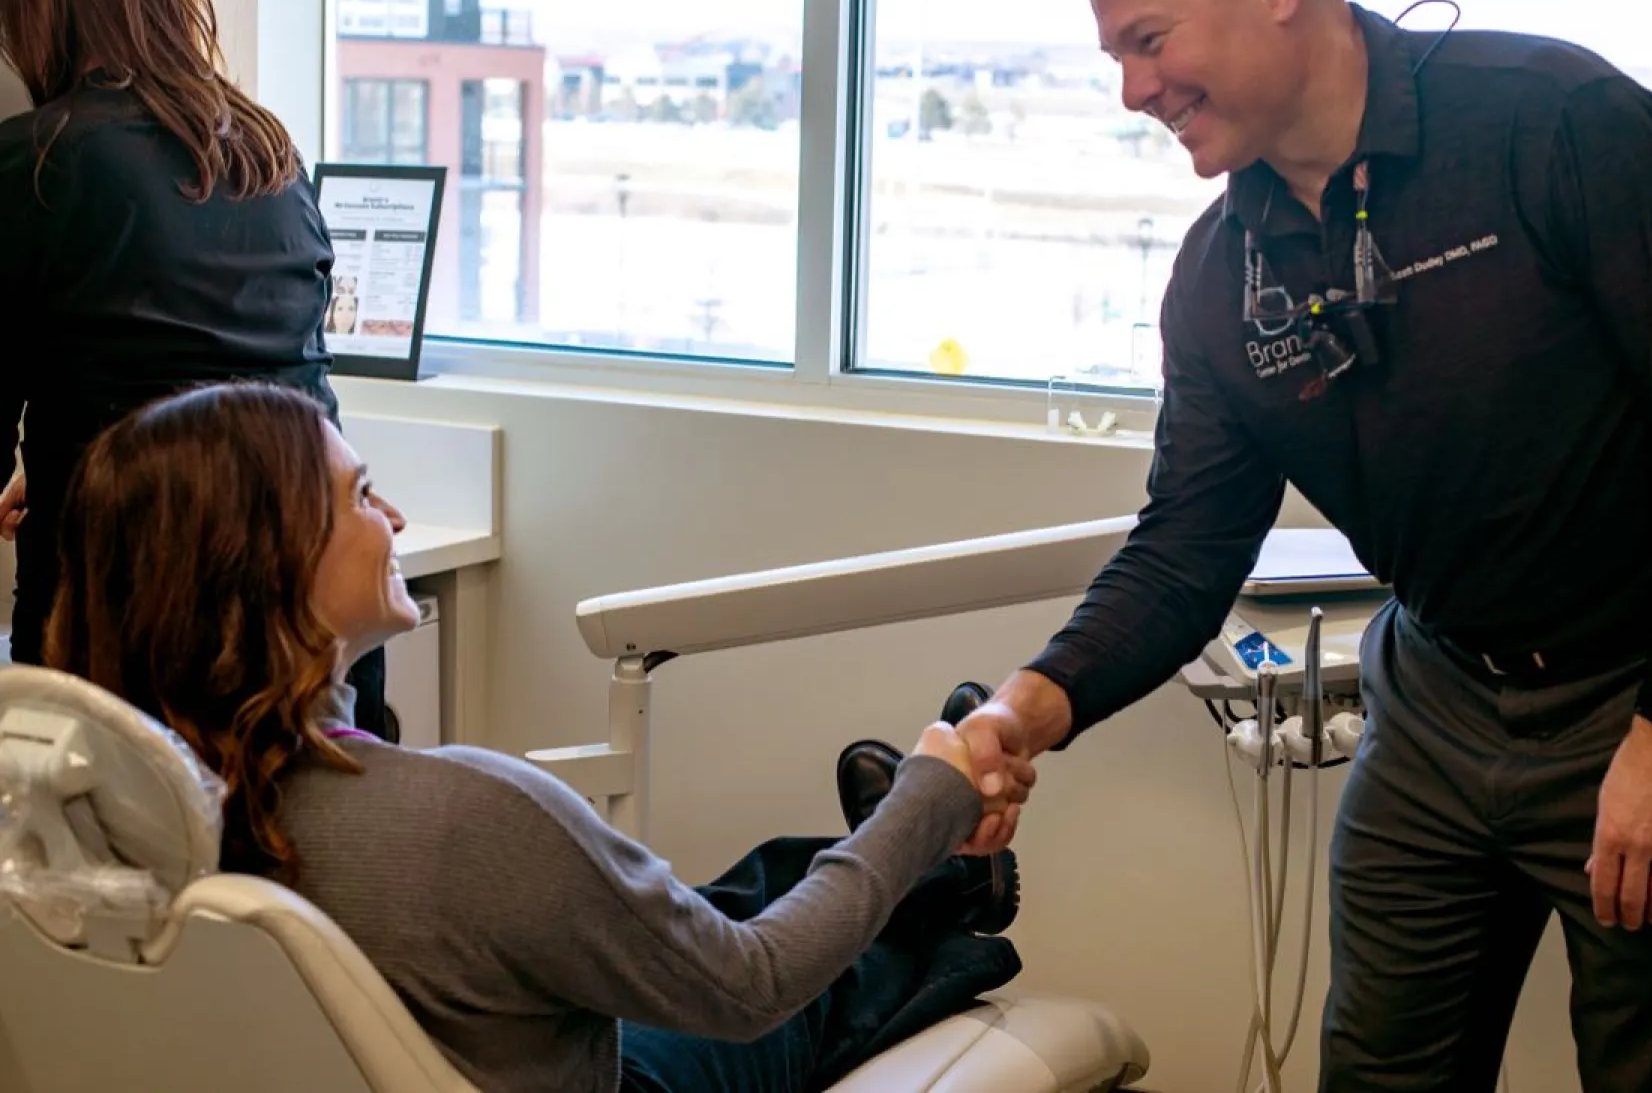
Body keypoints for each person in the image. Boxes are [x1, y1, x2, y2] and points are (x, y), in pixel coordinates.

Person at [954, 0, 1652, 1091]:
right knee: (1381, 1068)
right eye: (1117, 60)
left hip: (1647, 677)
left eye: (1149, 43)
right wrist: (1022, 710)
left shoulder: (1558, 126)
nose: (1134, 90)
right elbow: (1190, 544)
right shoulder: (1219, 277)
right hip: (1440, 695)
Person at [43, 380, 1029, 1093]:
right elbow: (752, 982)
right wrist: (937, 790)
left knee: (743, 882)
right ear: (267, 565)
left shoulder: (91, 817)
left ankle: (919, 863)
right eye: (358, 494)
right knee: (812, 971)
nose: (391, 516)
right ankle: (941, 889)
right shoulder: (465, 817)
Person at [0, 0, 389, 737]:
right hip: (302, 592)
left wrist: (66, 447)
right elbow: (246, 376)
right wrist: (63, 430)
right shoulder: (270, 154)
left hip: (128, 608)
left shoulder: (35, 159)